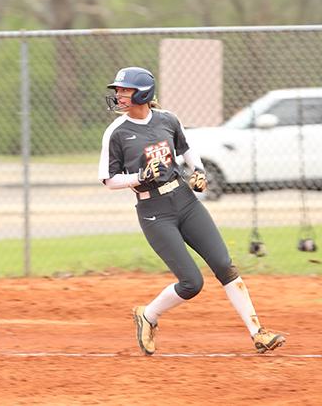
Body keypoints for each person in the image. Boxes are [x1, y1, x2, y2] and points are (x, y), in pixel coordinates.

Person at [98, 66, 285, 355]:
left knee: (224, 264)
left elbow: (186, 151)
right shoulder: (116, 133)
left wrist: (198, 172)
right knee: (191, 282)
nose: (119, 95)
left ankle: (257, 332)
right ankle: (148, 315)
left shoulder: (168, 119)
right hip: (154, 211)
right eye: (118, 91)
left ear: (143, 93)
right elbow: (110, 180)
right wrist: (138, 178)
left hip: (185, 200)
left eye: (125, 90)